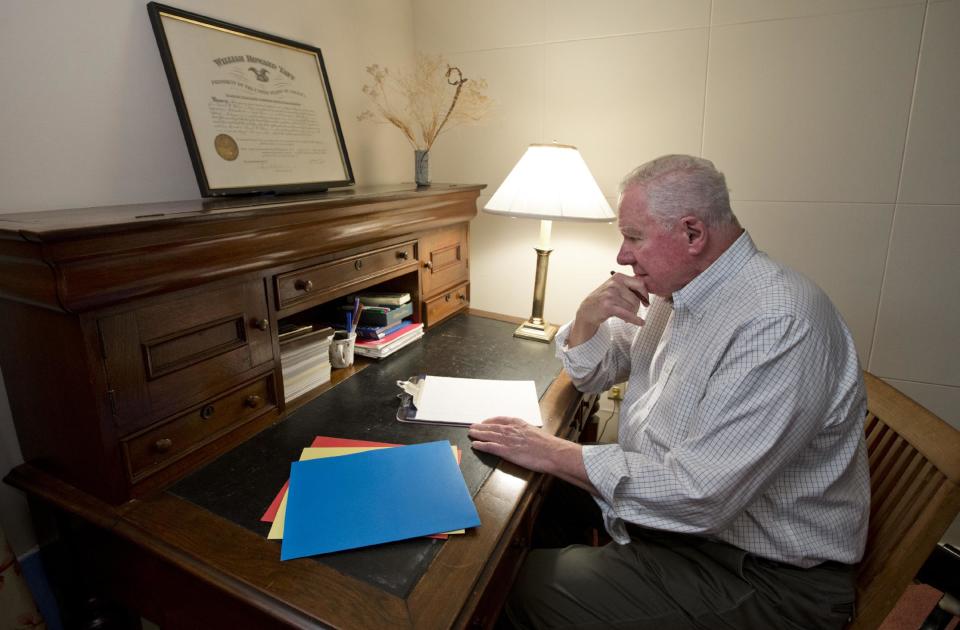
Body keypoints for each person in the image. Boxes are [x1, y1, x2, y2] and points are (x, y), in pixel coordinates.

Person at [468, 154, 870, 629]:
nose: (622, 255)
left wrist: (555, 452)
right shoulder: (682, 290)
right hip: (698, 533)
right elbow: (597, 372)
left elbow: (699, 496)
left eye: (634, 237)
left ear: (693, 234)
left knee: (515, 581)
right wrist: (586, 318)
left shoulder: (776, 323)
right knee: (531, 507)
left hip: (764, 578)